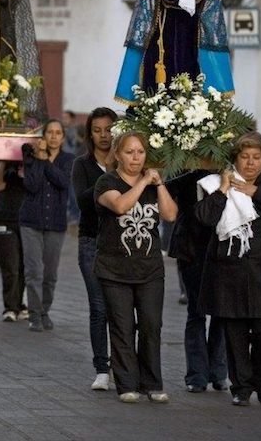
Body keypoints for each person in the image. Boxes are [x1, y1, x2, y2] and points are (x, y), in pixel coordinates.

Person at [195, 133, 261, 407]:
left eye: (256, 158)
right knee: (234, 332)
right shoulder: (218, 180)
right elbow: (204, 217)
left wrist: (256, 192)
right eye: (244, 157)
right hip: (229, 270)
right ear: (235, 158)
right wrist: (224, 191)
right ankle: (241, 387)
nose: (250, 163)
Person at [94, 131, 177, 403]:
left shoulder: (154, 184)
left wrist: (160, 183)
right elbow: (120, 206)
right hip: (114, 270)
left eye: (140, 152)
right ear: (118, 154)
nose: (136, 157)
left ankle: (152, 383)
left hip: (150, 269)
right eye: (129, 152)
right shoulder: (107, 182)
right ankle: (127, 383)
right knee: (122, 326)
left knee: (152, 326)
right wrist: (143, 183)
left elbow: (170, 215)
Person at [167, 168, 228, 394]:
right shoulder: (187, 173)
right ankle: (197, 374)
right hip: (191, 250)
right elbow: (166, 188)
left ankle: (218, 371)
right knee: (196, 311)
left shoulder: (229, 174)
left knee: (222, 312)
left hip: (223, 251)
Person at [71, 107, 116, 391]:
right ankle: (102, 367)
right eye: (97, 130)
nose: (104, 136)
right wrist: (109, 173)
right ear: (89, 134)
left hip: (121, 244)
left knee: (122, 310)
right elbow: (85, 202)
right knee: (99, 307)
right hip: (91, 242)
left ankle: (125, 364)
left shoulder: (130, 163)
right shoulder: (82, 165)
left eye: (109, 130)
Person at [19, 120, 74, 332]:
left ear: (62, 137)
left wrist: (46, 161)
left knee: (50, 274)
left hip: (56, 224)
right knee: (34, 271)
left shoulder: (69, 160)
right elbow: (31, 185)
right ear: (43, 136)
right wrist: (39, 159)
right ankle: (34, 315)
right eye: (49, 132)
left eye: (58, 132)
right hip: (31, 222)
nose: (53, 136)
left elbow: (63, 182)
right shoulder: (31, 157)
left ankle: (44, 311)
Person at [0, 159, 27, 324]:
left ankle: (20, 303)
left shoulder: (34, 158)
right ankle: (10, 307)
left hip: (28, 218)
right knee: (10, 265)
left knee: (24, 265)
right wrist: (4, 161)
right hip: (4, 216)